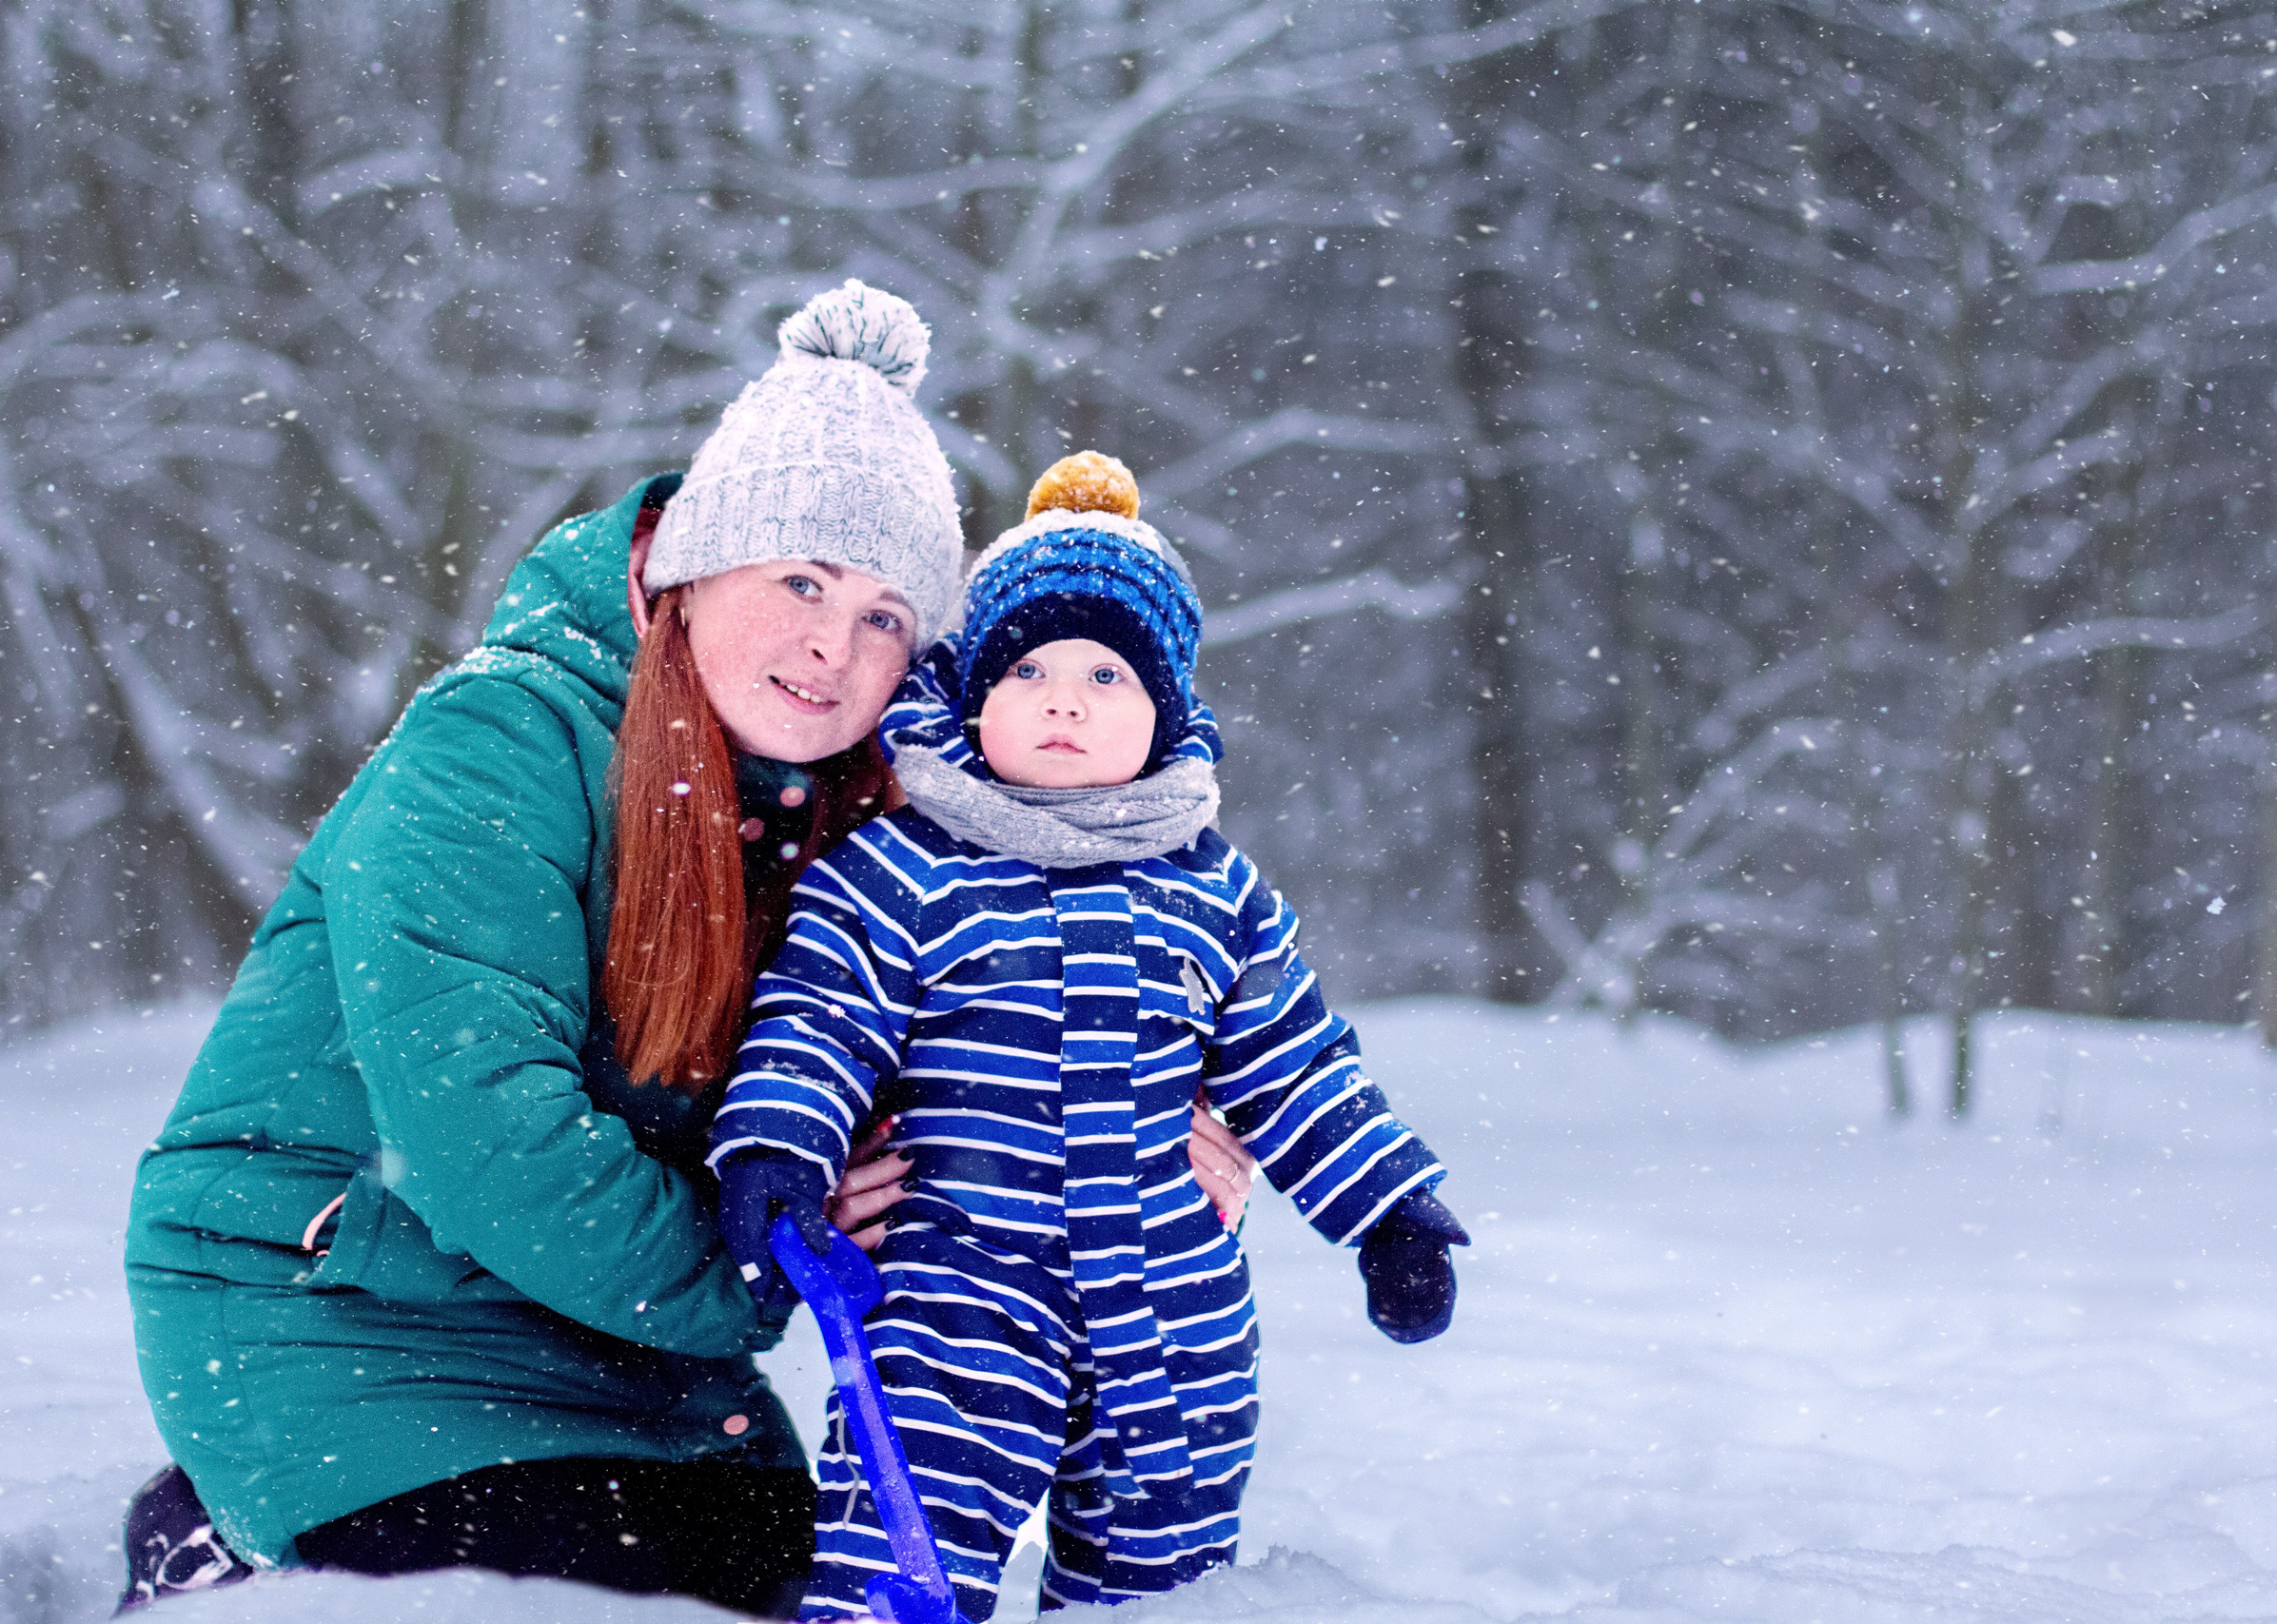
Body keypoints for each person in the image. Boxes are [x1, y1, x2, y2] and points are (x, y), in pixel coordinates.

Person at [117, 282, 968, 1617]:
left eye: (884, 614)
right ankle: (239, 1529)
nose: (832, 642)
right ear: (694, 566)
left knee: (807, 1584)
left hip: (623, 1348)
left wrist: (1162, 1117)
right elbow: (480, 1127)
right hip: (345, 1310)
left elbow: (970, 1022)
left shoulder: (835, 810)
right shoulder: (498, 744)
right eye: (801, 578)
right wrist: (740, 1267)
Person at [708, 451, 1473, 1620]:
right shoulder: (903, 873)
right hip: (958, 1292)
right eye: (1030, 669)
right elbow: (818, 1019)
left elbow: (1298, 1063)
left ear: (1166, 715)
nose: (1064, 698)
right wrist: (778, 1154)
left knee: (1157, 1584)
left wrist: (1389, 1215)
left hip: (1177, 1308)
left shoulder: (1216, 892)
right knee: (904, 1554)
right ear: (973, 697)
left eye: (1107, 674)